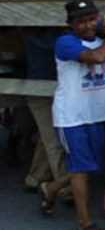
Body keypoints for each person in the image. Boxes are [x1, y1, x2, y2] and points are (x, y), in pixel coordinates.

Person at [39, 0, 105, 230]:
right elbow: (96, 58)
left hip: (96, 114)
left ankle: (50, 188)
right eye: (81, 21)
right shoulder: (65, 42)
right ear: (71, 24)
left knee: (89, 166)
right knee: (81, 168)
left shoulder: (103, 41)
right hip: (72, 116)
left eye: (92, 19)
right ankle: (85, 223)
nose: (88, 25)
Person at [22, 28, 71, 203]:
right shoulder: (59, 37)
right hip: (46, 90)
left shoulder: (32, 32)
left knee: (48, 136)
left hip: (43, 88)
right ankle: (65, 188)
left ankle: (35, 177)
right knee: (53, 139)